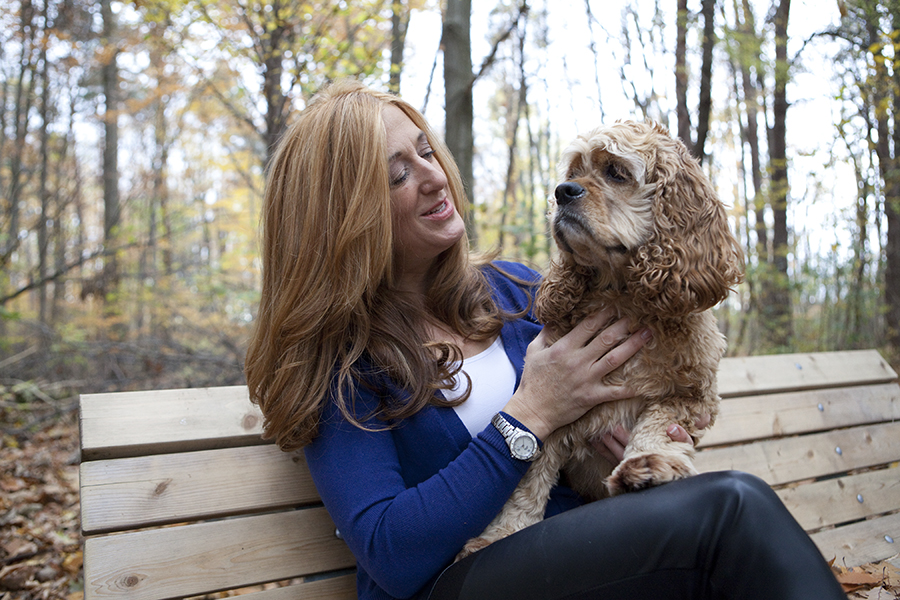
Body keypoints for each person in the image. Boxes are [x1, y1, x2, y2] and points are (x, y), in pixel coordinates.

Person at [244, 79, 845, 600]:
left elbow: (639, 388)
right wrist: (530, 413)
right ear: (343, 215)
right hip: (454, 586)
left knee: (720, 543)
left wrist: (631, 444)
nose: (434, 177)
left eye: (428, 152)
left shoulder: (513, 289)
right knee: (731, 509)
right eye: (398, 173)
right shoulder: (341, 361)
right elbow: (391, 552)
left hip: (580, 562)